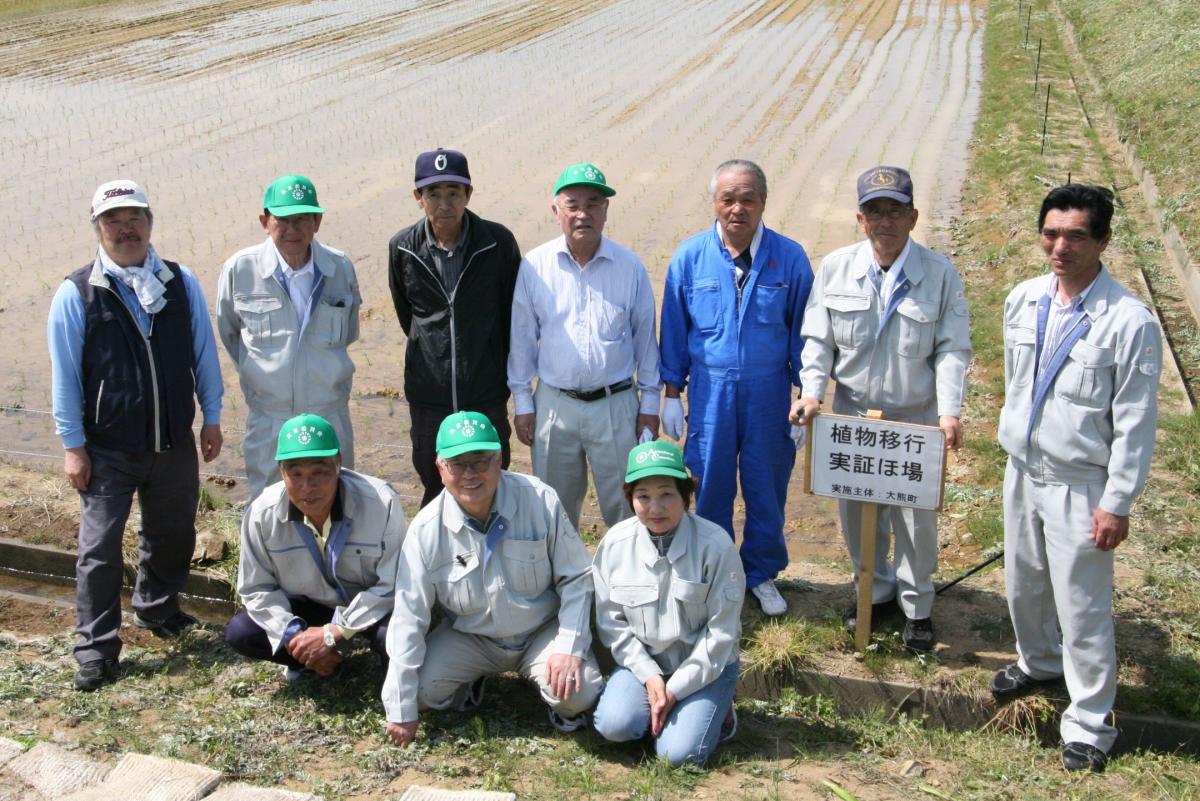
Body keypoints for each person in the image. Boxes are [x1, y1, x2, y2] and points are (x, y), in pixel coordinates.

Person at [991, 184, 1162, 773]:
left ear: (1103, 240)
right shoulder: (1024, 300)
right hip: (1023, 469)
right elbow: (1018, 383)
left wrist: (1117, 501)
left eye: (1075, 236)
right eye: (1051, 233)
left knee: (1082, 604)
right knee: (1024, 581)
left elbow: (1136, 421)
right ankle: (1038, 660)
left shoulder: (1128, 321)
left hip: (1080, 482)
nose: (1060, 246)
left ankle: (1091, 720)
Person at [47, 179, 224, 691]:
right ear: (97, 229)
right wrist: (72, 446)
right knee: (99, 548)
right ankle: (96, 648)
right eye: (112, 221)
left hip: (173, 440)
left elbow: (202, 353)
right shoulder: (78, 292)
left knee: (172, 534)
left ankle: (157, 608)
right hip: (107, 447)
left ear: (150, 223)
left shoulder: (180, 281)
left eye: (135, 219)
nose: (125, 229)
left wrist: (210, 417)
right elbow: (66, 376)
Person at [795, 166, 972, 651]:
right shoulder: (836, 268)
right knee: (857, 514)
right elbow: (818, 338)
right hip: (852, 415)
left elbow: (953, 348)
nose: (885, 221)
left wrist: (949, 411)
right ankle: (872, 591)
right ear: (860, 218)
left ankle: (917, 608)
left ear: (913, 217)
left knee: (916, 519)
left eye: (895, 211)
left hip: (914, 417)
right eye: (875, 211)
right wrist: (812, 392)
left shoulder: (938, 274)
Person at [383, 411, 603, 748]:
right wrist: (399, 706)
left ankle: (557, 700)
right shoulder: (426, 530)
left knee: (580, 691)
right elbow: (408, 617)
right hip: (474, 639)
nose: (470, 474)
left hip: (541, 632)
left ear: (499, 459)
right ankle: (472, 680)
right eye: (458, 464)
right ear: (441, 469)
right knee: (421, 693)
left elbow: (576, 579)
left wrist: (570, 647)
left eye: (481, 461)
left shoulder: (540, 499)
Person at [659, 159, 812, 617]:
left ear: (763, 202)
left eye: (748, 198)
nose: (737, 208)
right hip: (709, 394)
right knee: (708, 484)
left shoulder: (790, 258)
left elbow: (806, 331)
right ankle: (714, 572)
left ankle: (760, 573)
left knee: (767, 484)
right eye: (728, 199)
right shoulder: (690, 257)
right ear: (715, 203)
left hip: (769, 393)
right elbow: (674, 327)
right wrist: (670, 393)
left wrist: (807, 389)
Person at [508, 162, 662, 529]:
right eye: (572, 204)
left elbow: (646, 341)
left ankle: (624, 581)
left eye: (593, 203)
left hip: (615, 404)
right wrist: (524, 403)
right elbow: (522, 341)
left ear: (606, 210)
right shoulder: (534, 266)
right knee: (553, 509)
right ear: (556, 211)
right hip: (554, 405)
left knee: (626, 504)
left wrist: (651, 403)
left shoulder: (629, 266)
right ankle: (563, 582)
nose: (583, 213)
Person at [591, 440, 744, 766]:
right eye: (643, 496)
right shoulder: (615, 545)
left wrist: (674, 690)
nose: (655, 507)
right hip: (644, 665)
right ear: (630, 498)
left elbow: (721, 635)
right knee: (614, 725)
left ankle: (720, 713)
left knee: (677, 756)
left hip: (706, 668)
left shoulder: (715, 546)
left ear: (686, 496)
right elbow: (612, 625)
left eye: (667, 494)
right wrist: (650, 676)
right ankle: (657, 714)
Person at [388, 148, 522, 508]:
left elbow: (512, 315)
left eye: (453, 192)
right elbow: (408, 315)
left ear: (469, 194)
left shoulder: (497, 243)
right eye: (433, 193)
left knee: (490, 483)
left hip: (485, 392)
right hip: (429, 396)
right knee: (435, 486)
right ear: (419, 197)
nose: (444, 203)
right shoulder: (402, 248)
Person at [225, 414, 405, 681]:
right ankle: (311, 660)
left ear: (338, 465)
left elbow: (394, 583)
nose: (307, 487)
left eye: (319, 472)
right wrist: (293, 635)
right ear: (281, 471)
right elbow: (256, 588)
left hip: (369, 607)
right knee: (242, 632)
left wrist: (336, 631)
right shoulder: (262, 513)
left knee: (397, 636)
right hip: (310, 607)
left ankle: (386, 666)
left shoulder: (381, 503)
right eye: (295, 474)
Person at [217, 174, 361, 501]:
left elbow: (349, 331)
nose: (292, 229)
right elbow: (230, 334)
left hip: (329, 417)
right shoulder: (240, 270)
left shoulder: (339, 268)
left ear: (318, 222)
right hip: (270, 421)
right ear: (264, 221)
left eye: (302, 219)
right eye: (283, 219)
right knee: (270, 513)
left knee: (337, 507)